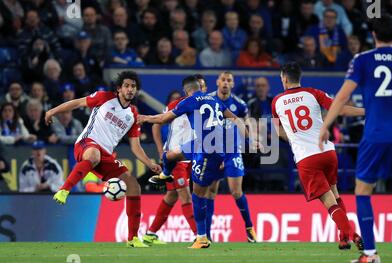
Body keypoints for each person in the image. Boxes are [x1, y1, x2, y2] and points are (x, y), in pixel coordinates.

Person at [319, 15, 392, 263]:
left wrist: (326, 125)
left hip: (375, 136)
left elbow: (341, 96)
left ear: (373, 35)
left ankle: (370, 253)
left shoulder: (362, 60)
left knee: (363, 191)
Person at [44, 71, 162, 248]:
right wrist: (52, 111)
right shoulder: (104, 97)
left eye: (133, 86)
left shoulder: (133, 114)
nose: (130, 89)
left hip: (105, 155)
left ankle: (132, 238)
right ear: (119, 88)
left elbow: (135, 146)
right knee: (93, 154)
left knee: (133, 186)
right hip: (86, 143)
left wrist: (150, 163)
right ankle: (64, 189)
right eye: (127, 86)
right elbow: (77, 103)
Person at [139, 75, 253, 249]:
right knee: (171, 158)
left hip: (206, 150)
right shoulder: (214, 100)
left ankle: (201, 237)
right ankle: (166, 174)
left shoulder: (189, 101)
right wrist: (248, 140)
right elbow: (236, 119)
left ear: (186, 91)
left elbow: (162, 120)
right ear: (201, 87)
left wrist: (146, 118)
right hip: (219, 146)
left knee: (198, 194)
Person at [273, 62, 364, 251]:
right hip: (328, 152)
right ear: (300, 77)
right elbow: (340, 109)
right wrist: (367, 111)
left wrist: (293, 137)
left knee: (329, 203)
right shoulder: (314, 93)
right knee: (335, 194)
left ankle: (353, 235)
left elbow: (277, 131)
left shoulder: (276, 102)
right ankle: (343, 238)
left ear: (284, 79)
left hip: (307, 158)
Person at [142, 75, 207, 245]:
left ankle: (150, 233)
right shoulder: (177, 105)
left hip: (191, 158)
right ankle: (198, 235)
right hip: (175, 158)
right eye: (198, 87)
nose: (200, 90)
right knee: (185, 196)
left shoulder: (206, 107)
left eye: (203, 87)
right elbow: (156, 124)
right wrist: (160, 151)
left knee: (171, 195)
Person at [207, 71, 257, 242]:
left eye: (229, 80)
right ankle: (206, 235)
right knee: (210, 192)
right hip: (212, 152)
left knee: (236, 191)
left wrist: (252, 138)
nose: (226, 83)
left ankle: (249, 228)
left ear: (233, 84)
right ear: (217, 82)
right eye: (223, 80)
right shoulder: (208, 101)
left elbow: (247, 122)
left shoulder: (240, 104)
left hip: (233, 151)